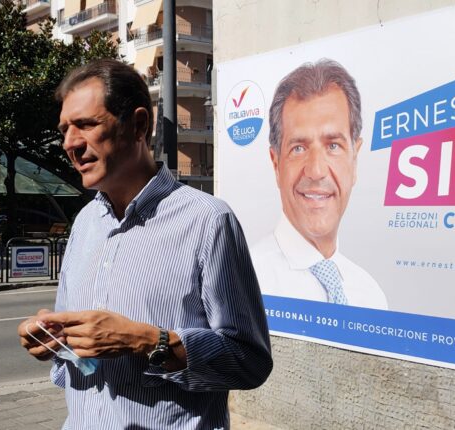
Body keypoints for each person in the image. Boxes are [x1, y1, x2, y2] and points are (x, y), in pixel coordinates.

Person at [17, 58, 272, 429]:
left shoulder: (208, 221)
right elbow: (77, 355)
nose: (70, 143)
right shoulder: (85, 223)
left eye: (86, 124)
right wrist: (54, 340)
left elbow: (250, 362)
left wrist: (145, 341)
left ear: (138, 125)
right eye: (65, 130)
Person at [251, 59, 388, 309]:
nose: (316, 171)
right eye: (298, 148)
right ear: (276, 163)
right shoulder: (246, 284)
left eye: (333, 146)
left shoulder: (370, 295)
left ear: (355, 159)